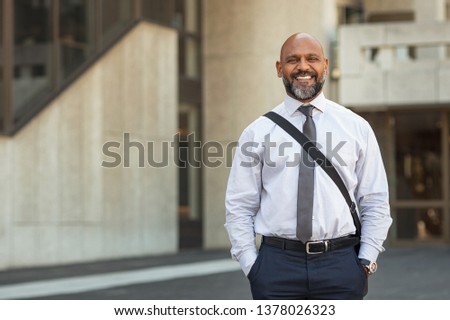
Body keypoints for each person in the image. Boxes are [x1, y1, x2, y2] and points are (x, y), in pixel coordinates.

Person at [225, 32, 392, 300]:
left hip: (341, 265)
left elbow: (374, 200)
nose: (303, 67)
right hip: (276, 268)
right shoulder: (257, 133)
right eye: (293, 60)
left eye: (311, 59)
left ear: (324, 65)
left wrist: (366, 260)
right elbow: (239, 205)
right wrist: (252, 266)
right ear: (280, 68)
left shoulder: (356, 127)